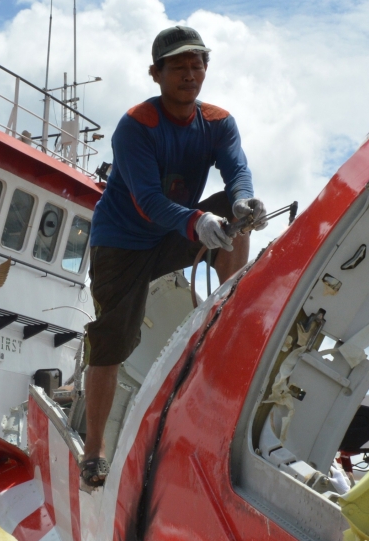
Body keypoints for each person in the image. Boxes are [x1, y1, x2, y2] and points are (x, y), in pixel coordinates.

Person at [78, 25, 266, 487]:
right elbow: (146, 199)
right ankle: (95, 448)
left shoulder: (219, 122)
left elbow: (238, 171)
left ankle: (226, 312)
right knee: (111, 342)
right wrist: (197, 224)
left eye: (197, 63)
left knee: (233, 213)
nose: (189, 73)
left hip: (177, 230)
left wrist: (243, 202)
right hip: (121, 243)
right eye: (178, 65)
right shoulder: (136, 126)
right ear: (155, 73)